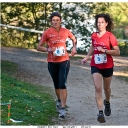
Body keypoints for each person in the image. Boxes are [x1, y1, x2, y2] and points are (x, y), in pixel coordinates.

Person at [37, 12, 77, 119]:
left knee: (62, 83)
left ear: (60, 21)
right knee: (56, 84)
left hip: (64, 60)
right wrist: (48, 49)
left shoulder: (66, 31)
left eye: (57, 20)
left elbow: (74, 38)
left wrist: (74, 47)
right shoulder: (47, 32)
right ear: (51, 21)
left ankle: (63, 109)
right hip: (52, 62)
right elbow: (38, 47)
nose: (55, 22)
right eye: (53, 20)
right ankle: (59, 100)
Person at [81, 13, 120, 123]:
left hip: (107, 65)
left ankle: (107, 102)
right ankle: (100, 112)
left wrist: (105, 51)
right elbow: (93, 46)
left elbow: (117, 52)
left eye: (102, 22)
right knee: (98, 88)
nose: (100, 24)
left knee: (106, 89)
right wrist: (87, 57)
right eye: (98, 22)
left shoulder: (110, 36)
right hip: (95, 65)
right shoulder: (94, 35)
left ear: (106, 23)